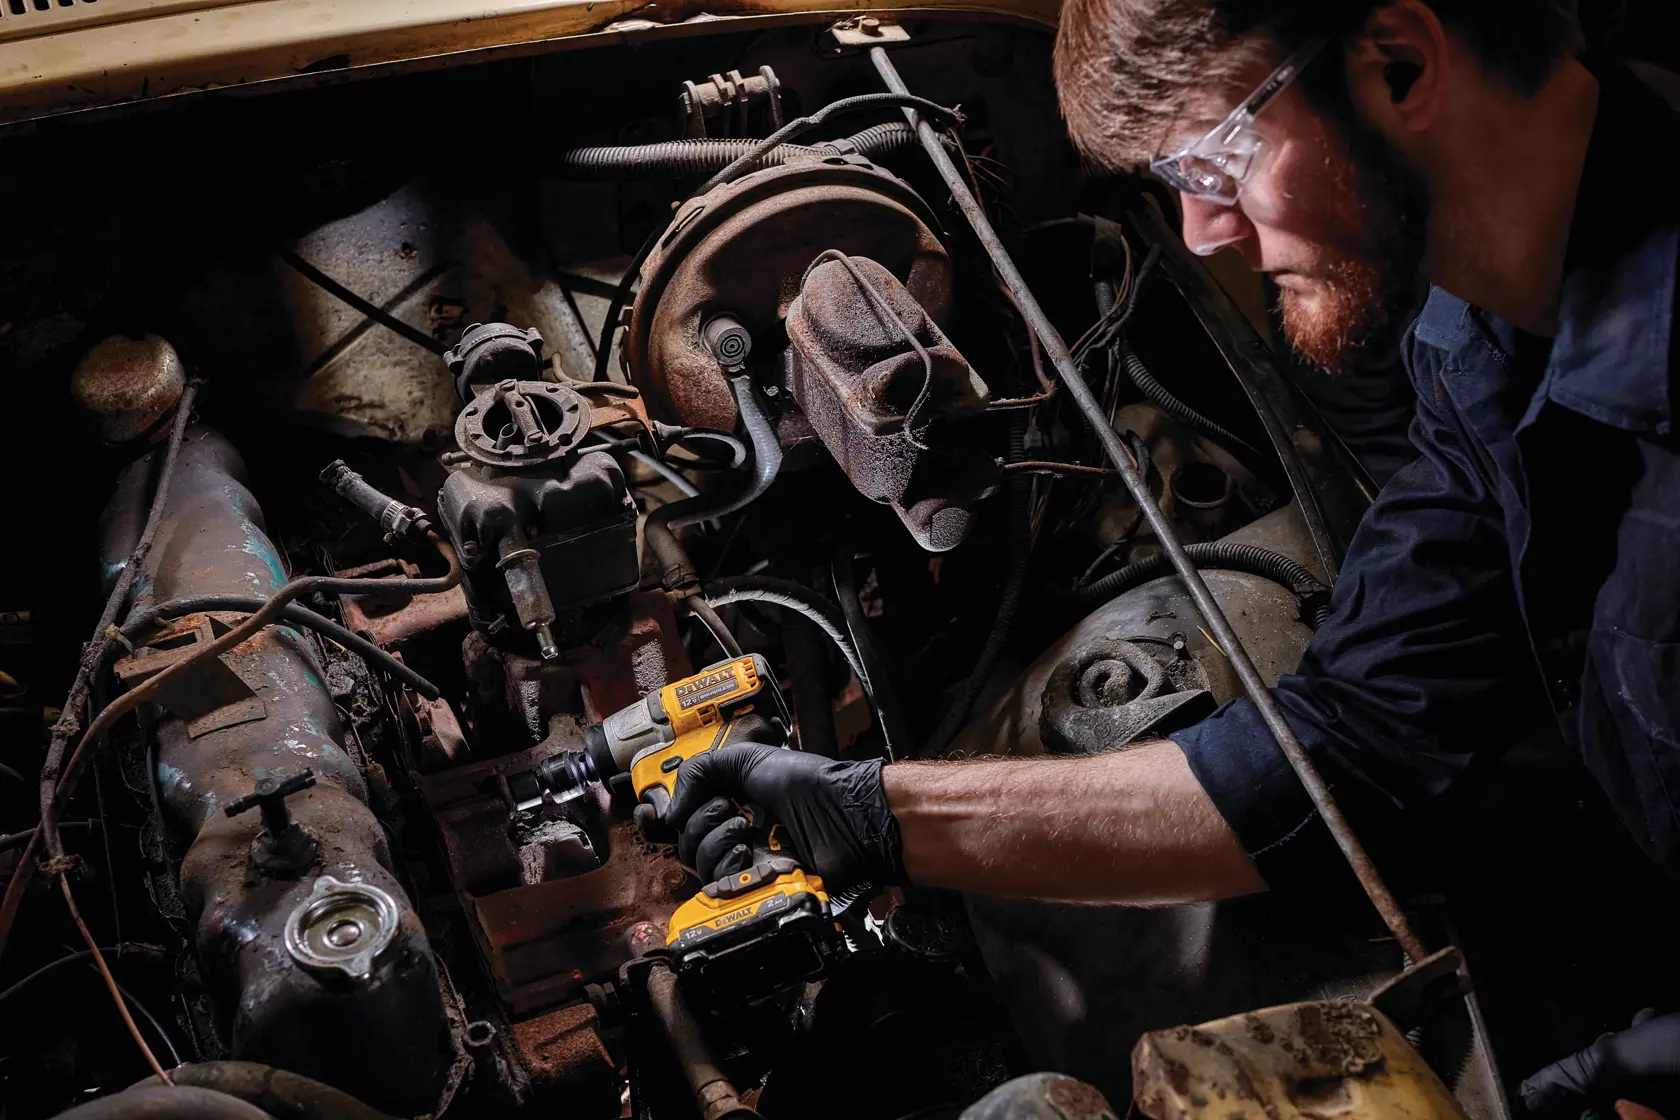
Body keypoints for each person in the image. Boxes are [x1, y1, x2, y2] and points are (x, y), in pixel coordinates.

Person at [669, 1, 1680, 1114]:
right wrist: (875, 815)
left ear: (1400, 63)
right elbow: (1351, 745)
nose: (1201, 230)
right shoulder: (1476, 345)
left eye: (1213, 161)